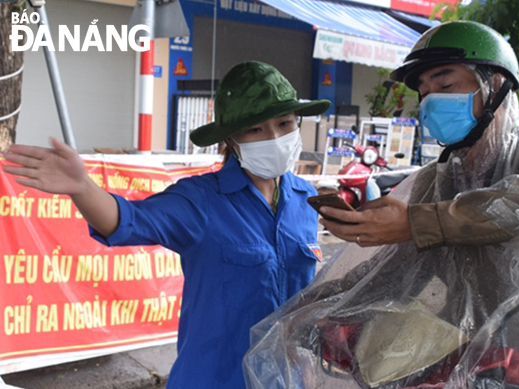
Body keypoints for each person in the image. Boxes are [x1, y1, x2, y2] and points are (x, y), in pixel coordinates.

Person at [242, 22, 519, 389]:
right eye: (424, 93)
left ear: (493, 85)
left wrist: (415, 221)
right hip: (463, 366)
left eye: (444, 85)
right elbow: (393, 269)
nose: (430, 102)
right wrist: (310, 309)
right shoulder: (436, 179)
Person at [1, 61, 330, 389]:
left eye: (285, 123)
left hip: (288, 381)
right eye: (256, 129)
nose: (275, 137)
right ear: (231, 138)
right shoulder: (200, 200)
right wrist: (82, 187)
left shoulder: (306, 199)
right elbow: (130, 221)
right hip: (213, 380)